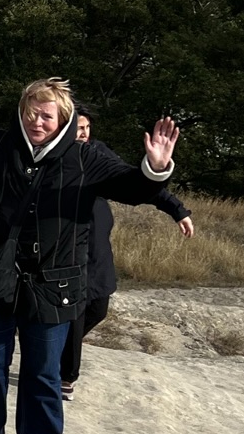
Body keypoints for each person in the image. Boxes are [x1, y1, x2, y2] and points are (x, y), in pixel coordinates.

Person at [0, 77, 180, 434]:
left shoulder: (85, 157)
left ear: (64, 119)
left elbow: (132, 186)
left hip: (55, 283)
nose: (37, 122)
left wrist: (156, 168)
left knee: (43, 368)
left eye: (46, 115)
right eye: (31, 113)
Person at [61, 105, 194, 397]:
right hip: (68, 248)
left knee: (98, 308)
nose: (82, 134)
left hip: (97, 247)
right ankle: (64, 376)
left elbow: (134, 183)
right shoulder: (57, 158)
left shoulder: (96, 153)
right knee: (74, 311)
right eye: (76, 128)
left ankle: (52, 348)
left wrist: (176, 209)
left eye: (86, 128)